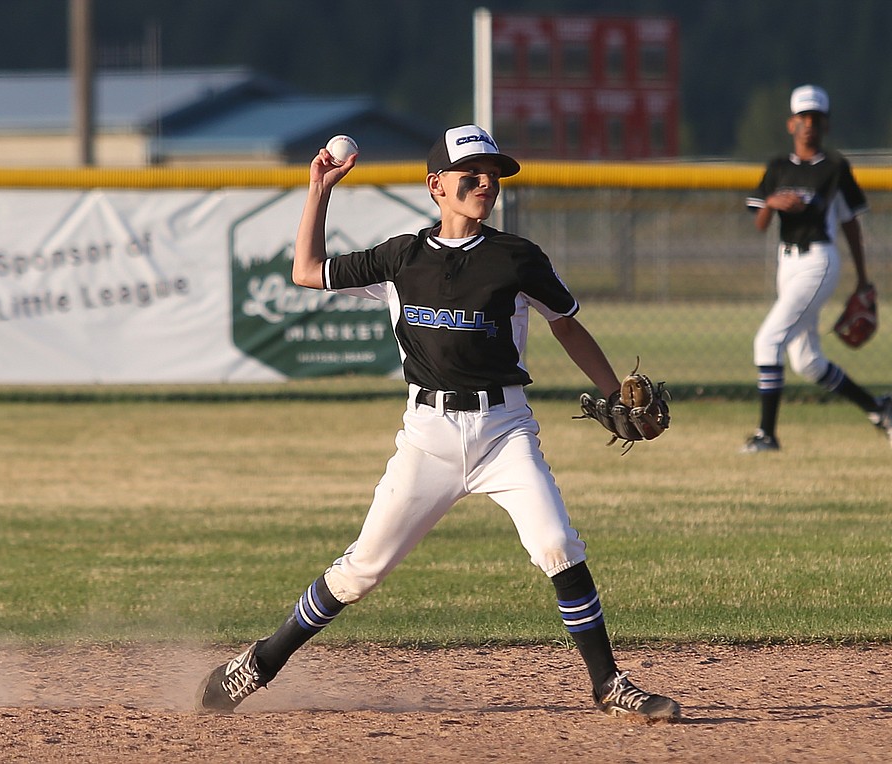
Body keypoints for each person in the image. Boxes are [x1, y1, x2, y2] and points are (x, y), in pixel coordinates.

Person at [195, 125, 680, 722]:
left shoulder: (516, 258)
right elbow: (306, 270)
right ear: (436, 186)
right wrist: (318, 189)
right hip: (428, 436)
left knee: (557, 543)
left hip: (504, 431)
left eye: (493, 174)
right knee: (361, 570)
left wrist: (613, 390)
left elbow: (565, 322)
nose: (485, 182)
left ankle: (608, 685)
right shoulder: (402, 257)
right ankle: (259, 664)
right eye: (471, 172)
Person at [742, 85, 892, 453]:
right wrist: (771, 202)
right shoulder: (777, 168)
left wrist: (863, 280)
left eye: (816, 118)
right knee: (807, 360)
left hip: (819, 261)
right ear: (791, 123)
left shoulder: (834, 168)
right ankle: (879, 408)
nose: (809, 125)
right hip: (786, 263)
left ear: (825, 124)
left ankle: (767, 436)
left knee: (767, 341)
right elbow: (759, 221)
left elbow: (850, 224)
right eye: (803, 118)